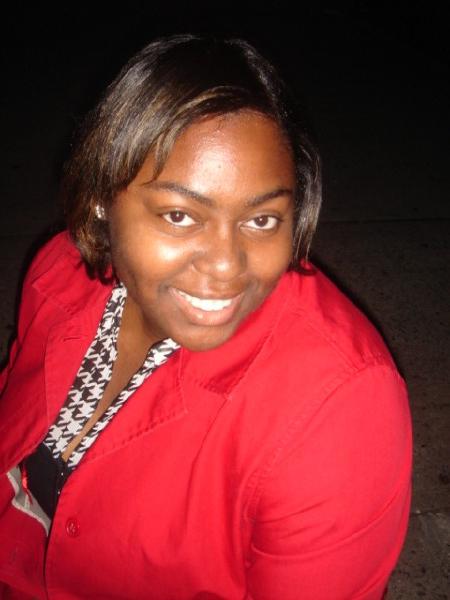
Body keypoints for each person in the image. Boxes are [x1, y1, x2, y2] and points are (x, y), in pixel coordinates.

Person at [0, 34, 412, 599]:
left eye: (261, 220)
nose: (225, 266)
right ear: (100, 199)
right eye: (179, 215)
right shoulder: (62, 274)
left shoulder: (339, 409)